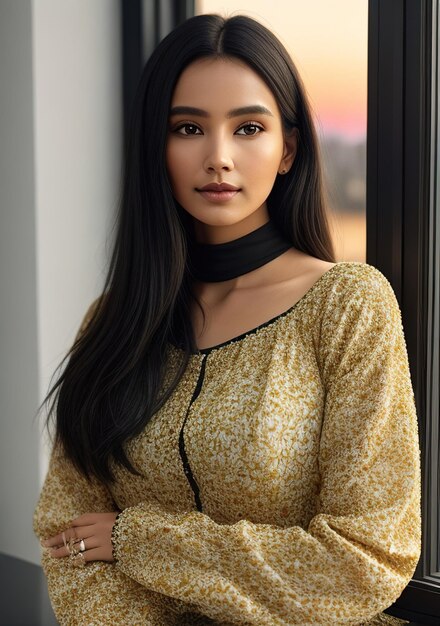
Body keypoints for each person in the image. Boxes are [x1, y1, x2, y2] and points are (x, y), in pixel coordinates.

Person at [33, 13, 421, 626]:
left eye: (248, 128)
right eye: (188, 127)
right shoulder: (112, 323)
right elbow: (67, 535)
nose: (218, 157)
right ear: (156, 148)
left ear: (287, 148)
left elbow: (366, 558)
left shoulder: (348, 307)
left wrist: (140, 540)